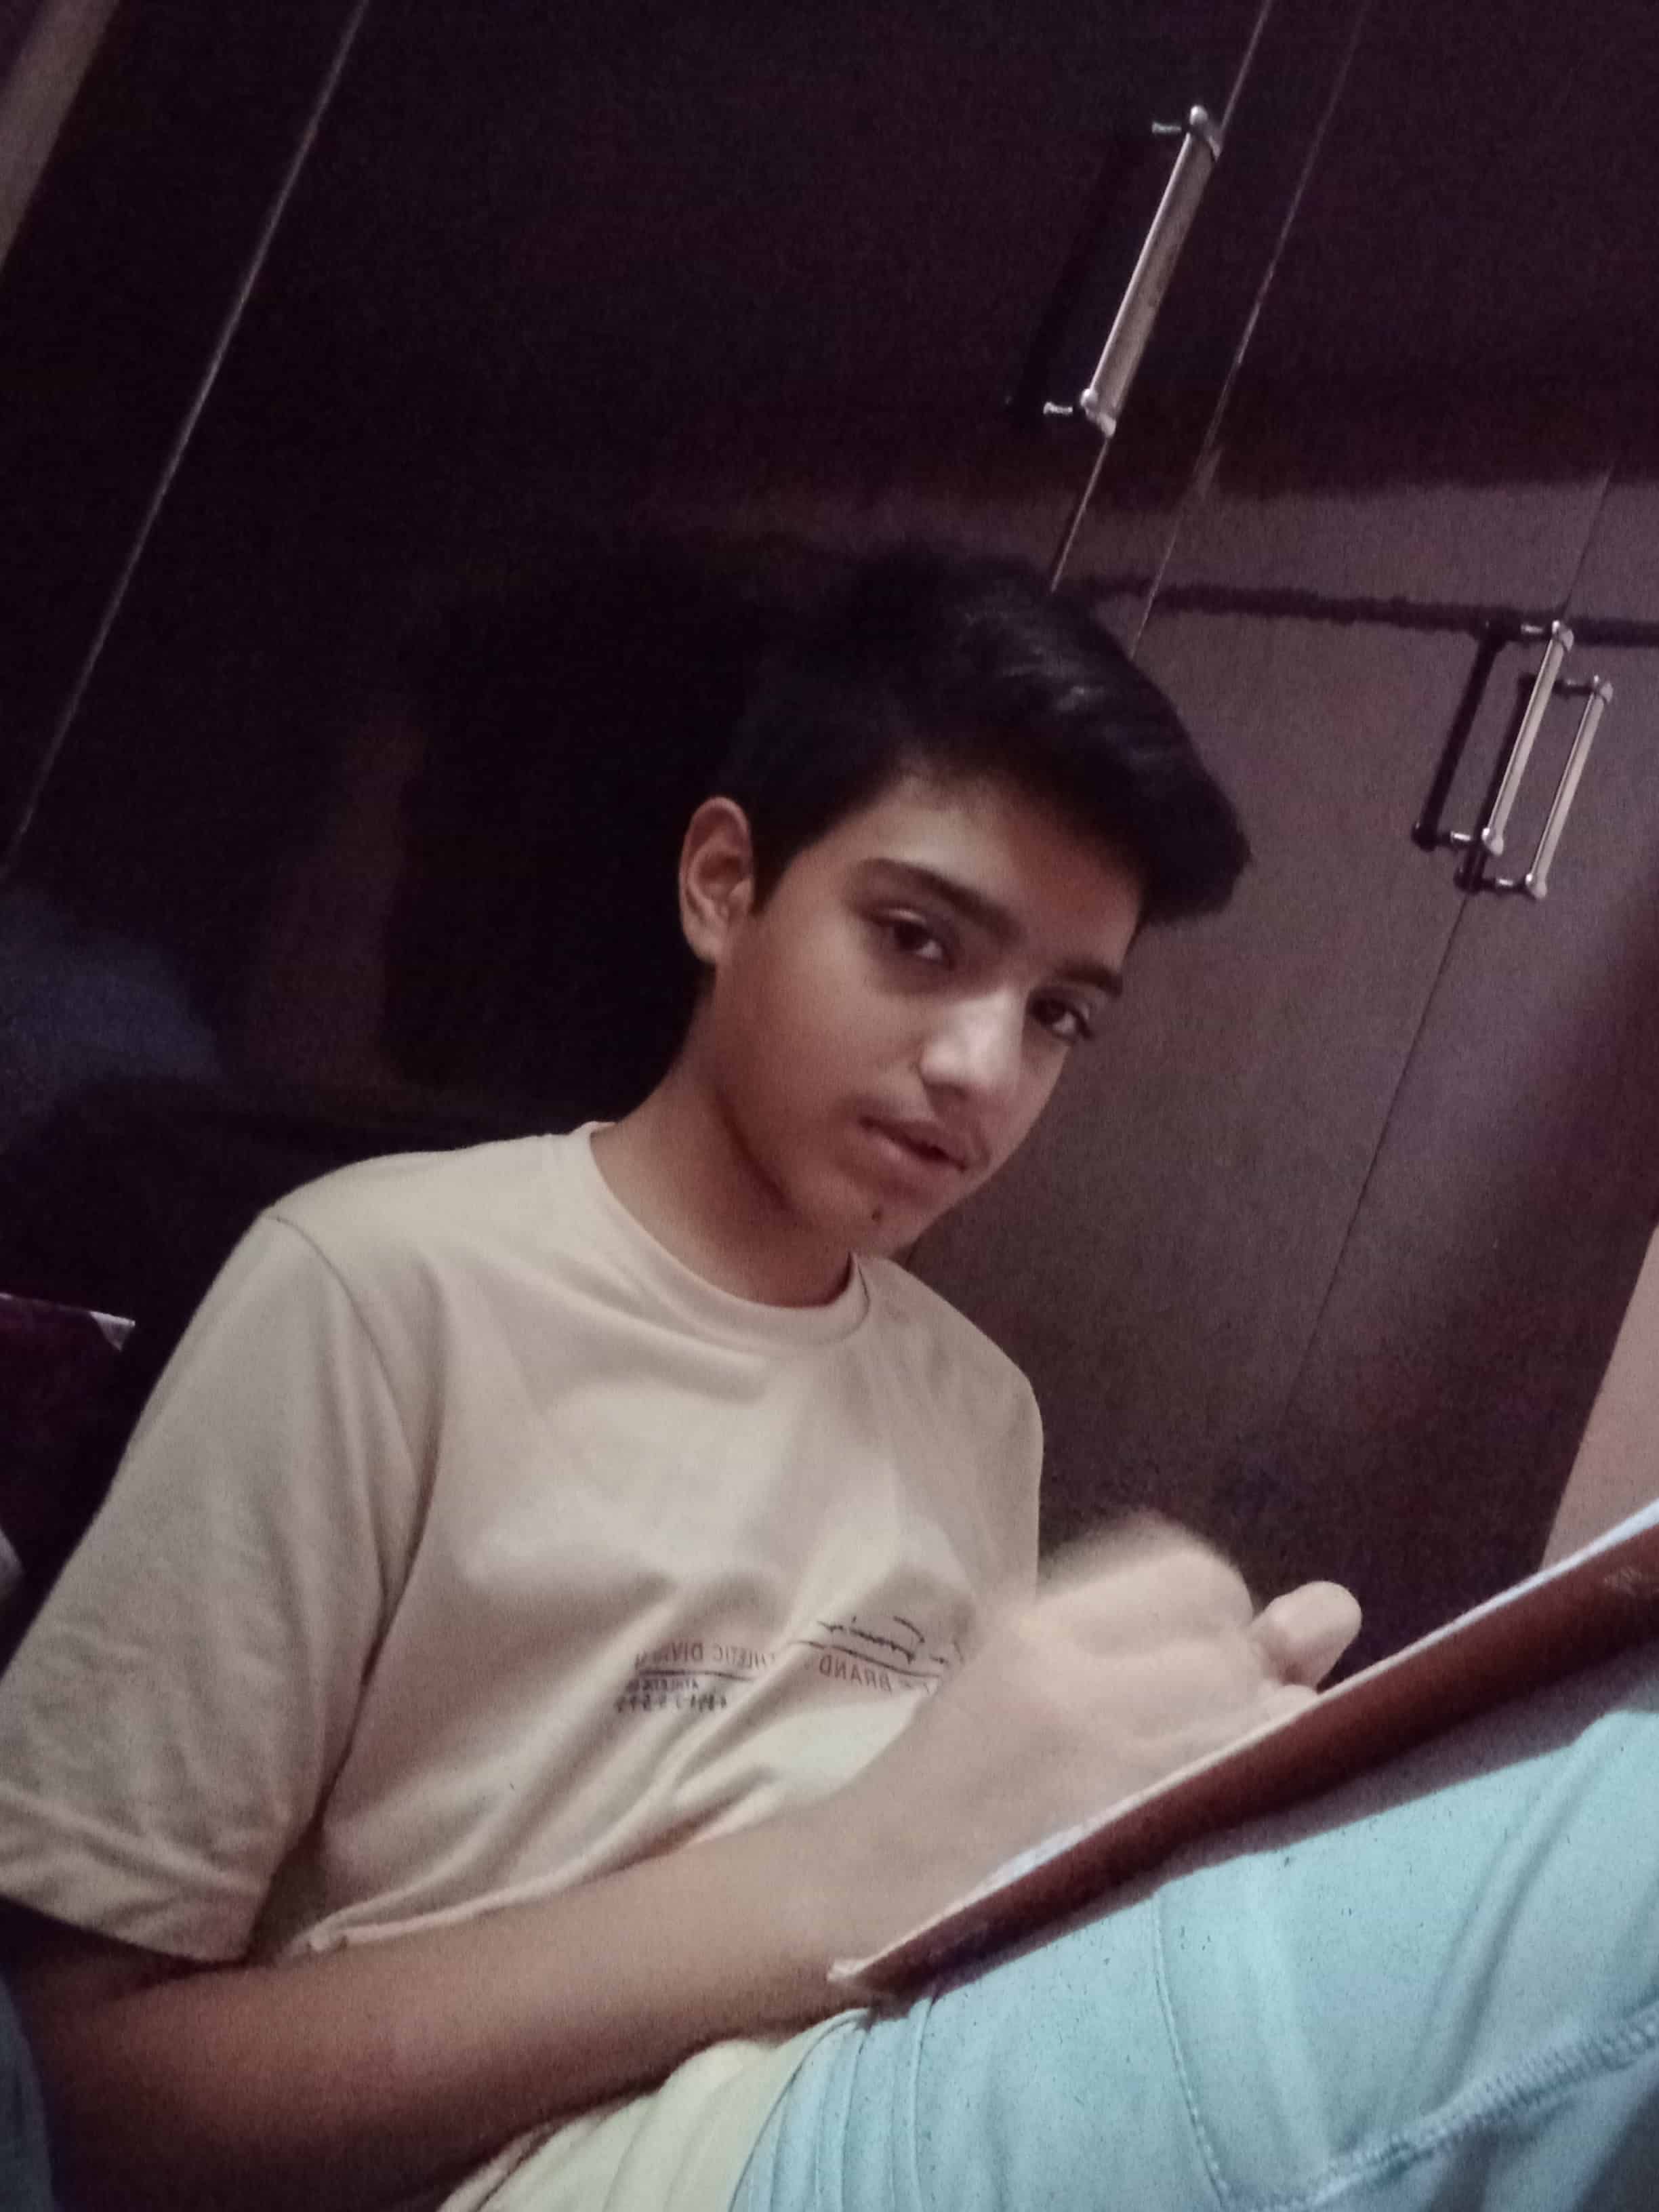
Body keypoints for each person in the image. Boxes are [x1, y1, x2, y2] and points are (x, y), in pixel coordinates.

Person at [0, 550, 1653, 2212]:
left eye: (1059, 1016)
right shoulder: (377, 1287)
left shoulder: (974, 1405)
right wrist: (834, 1881)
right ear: (725, 886)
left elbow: (936, 1887)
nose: (983, 1070)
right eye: (918, 940)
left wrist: (1128, 1807)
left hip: (903, 2061)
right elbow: (79, 2108)